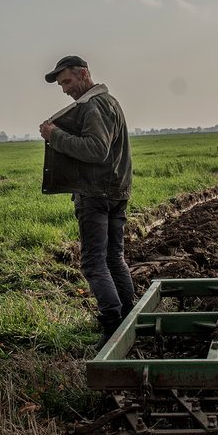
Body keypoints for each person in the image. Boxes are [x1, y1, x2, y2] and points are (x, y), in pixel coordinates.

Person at [38, 55, 135, 336]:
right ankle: (130, 317)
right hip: (115, 191)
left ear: (84, 74)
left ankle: (113, 325)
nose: (65, 89)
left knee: (94, 263)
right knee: (114, 258)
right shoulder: (110, 101)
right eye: (61, 85)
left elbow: (96, 149)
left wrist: (54, 135)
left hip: (96, 194)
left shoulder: (93, 105)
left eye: (67, 81)